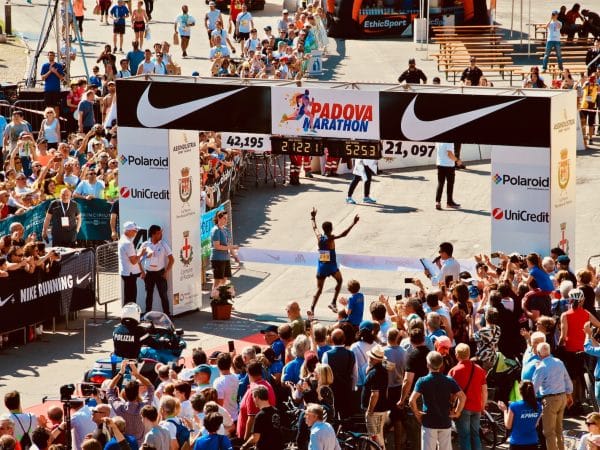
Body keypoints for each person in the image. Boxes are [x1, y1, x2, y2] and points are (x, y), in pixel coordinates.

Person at [309, 207, 359, 314]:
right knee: (340, 281)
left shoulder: (319, 237)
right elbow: (344, 234)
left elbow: (314, 227)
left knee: (319, 289)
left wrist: (313, 217)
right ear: (331, 229)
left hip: (322, 265)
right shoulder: (330, 238)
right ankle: (333, 302)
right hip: (331, 266)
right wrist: (353, 223)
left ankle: (312, 308)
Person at [532, 342, 573, 450]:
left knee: (549, 432)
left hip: (550, 399)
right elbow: (567, 379)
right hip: (562, 397)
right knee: (559, 430)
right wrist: (569, 394)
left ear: (539, 353)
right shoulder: (559, 362)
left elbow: (534, 387)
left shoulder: (541, 367)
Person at [448, 343, 487, 450]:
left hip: (463, 408)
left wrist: (451, 405)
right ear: (469, 354)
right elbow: (484, 391)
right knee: (475, 435)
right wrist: (482, 406)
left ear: (456, 355)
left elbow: (451, 393)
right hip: (477, 407)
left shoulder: (454, 371)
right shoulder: (479, 369)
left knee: (465, 436)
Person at [107, 360, 155, 445]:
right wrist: (137, 374)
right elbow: (151, 388)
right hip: (139, 445)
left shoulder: (119, 407)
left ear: (125, 393)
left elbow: (109, 390)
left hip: (124, 445)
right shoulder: (143, 407)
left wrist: (121, 372)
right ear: (137, 394)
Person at [321, 329, 357, 419]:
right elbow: (355, 374)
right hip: (346, 390)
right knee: (346, 417)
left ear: (332, 340)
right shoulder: (351, 354)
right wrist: (352, 388)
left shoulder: (327, 355)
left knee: (333, 417)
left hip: (332, 391)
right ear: (344, 339)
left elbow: (324, 374)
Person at [140, 225, 174, 315]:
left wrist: (166, 272)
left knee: (163, 295)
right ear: (153, 234)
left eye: (161, 233)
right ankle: (148, 314)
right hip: (149, 274)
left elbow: (172, 259)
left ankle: (167, 314)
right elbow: (138, 260)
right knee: (149, 295)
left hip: (160, 274)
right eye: (159, 233)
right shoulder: (145, 245)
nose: (161, 235)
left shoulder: (163, 244)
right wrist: (143, 272)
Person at [240, 386, 283, 450]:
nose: (253, 400)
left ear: (257, 397)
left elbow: (255, 438)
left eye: (253, 398)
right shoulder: (276, 411)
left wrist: (244, 445)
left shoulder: (260, 416)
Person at [362, 345, 388, 449]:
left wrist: (369, 410)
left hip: (375, 411)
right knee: (377, 437)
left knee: (376, 438)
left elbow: (375, 394)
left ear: (374, 359)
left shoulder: (375, 373)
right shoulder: (382, 370)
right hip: (379, 410)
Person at [210, 210, 237, 299]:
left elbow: (229, 245)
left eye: (227, 218)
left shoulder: (225, 229)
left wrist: (235, 256)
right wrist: (230, 247)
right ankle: (214, 300)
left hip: (225, 258)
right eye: (224, 218)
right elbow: (217, 246)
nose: (226, 220)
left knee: (224, 279)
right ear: (218, 218)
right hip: (217, 259)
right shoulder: (215, 230)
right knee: (217, 281)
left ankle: (222, 300)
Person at [118, 221, 144, 304]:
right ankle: (130, 316)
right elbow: (133, 261)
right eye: (134, 231)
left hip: (127, 273)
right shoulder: (128, 243)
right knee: (131, 298)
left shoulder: (123, 239)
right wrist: (141, 253)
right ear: (128, 231)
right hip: (130, 274)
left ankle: (129, 315)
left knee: (129, 296)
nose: (136, 233)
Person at [434, 143, 461, 210]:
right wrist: (457, 160)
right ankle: (449, 202)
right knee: (450, 184)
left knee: (440, 183)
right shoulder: (449, 142)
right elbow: (449, 154)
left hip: (440, 164)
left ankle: (438, 202)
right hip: (448, 165)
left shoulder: (438, 141)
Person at [40, 51, 65, 116]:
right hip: (48, 90)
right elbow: (42, 78)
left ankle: (56, 122)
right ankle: (48, 121)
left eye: (52, 55)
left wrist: (55, 72)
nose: (51, 56)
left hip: (56, 89)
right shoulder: (45, 66)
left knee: (56, 106)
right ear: (47, 56)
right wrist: (50, 71)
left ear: (54, 56)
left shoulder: (59, 66)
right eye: (50, 55)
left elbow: (62, 78)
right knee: (48, 107)